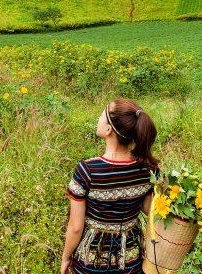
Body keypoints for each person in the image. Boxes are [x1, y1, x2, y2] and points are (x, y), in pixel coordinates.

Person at [61, 98, 161, 273]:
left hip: (91, 262)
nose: (98, 118)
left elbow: (75, 227)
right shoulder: (147, 169)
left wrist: (66, 257)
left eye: (101, 115)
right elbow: (149, 210)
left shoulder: (87, 170)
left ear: (109, 130)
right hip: (130, 259)